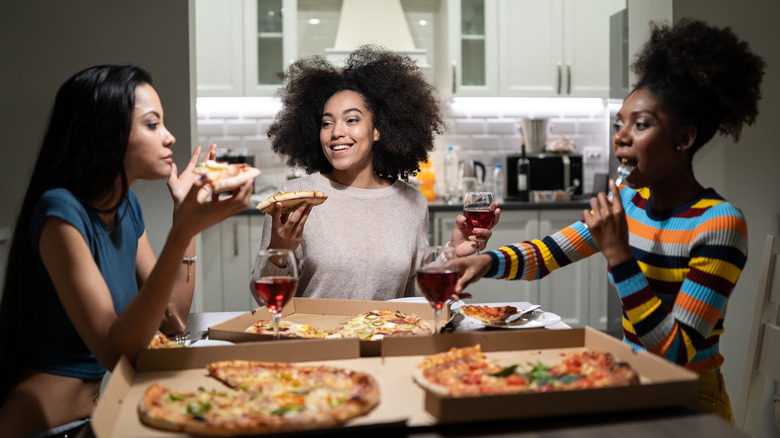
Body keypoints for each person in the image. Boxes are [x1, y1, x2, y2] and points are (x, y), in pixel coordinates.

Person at [448, 19, 764, 423]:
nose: (621, 137)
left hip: (691, 402)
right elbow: (547, 254)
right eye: (619, 124)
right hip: (633, 383)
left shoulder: (719, 225)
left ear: (683, 139)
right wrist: (485, 262)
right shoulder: (630, 201)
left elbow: (674, 351)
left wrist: (618, 254)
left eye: (641, 124)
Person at [0, 64, 252, 437]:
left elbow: (172, 319)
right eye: (152, 124)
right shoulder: (60, 212)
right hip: (48, 427)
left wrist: (186, 226)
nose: (169, 137)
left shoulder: (125, 206)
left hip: (103, 413)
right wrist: (183, 227)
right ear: (108, 133)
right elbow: (115, 352)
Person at [260, 45, 500, 301]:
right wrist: (278, 252)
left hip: (390, 337)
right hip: (317, 338)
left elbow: (414, 293)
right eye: (326, 123)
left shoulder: (411, 201)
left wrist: (454, 251)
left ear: (378, 130)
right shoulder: (294, 197)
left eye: (351, 120)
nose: (336, 132)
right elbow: (264, 299)